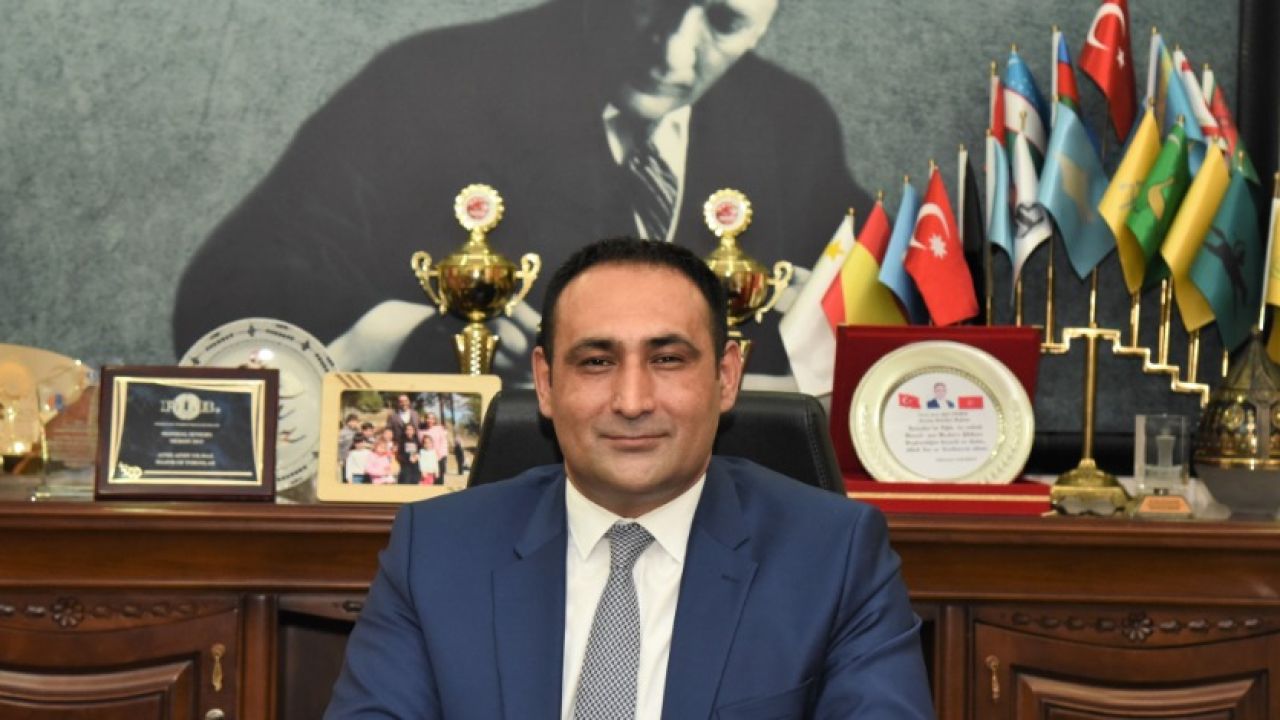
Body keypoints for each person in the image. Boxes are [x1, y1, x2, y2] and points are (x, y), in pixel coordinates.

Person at [325, 239, 932, 718]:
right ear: (545, 383)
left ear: (726, 378)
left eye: (667, 359)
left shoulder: (835, 555)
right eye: (596, 362)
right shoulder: (434, 551)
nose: (633, 400)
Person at [172, 0, 871, 386]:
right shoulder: (428, 86)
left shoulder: (790, 124)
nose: (672, 51)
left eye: (723, 21)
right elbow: (229, 295)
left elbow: (885, 310)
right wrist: (424, 340)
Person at [421, 414, 450, 480]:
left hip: (439, 459)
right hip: (427, 459)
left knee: (438, 480)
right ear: (425, 419)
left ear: (434, 420)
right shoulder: (421, 431)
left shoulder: (439, 429)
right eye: (428, 418)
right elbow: (421, 444)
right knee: (427, 480)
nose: (429, 420)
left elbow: (444, 444)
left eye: (432, 419)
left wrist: (439, 456)